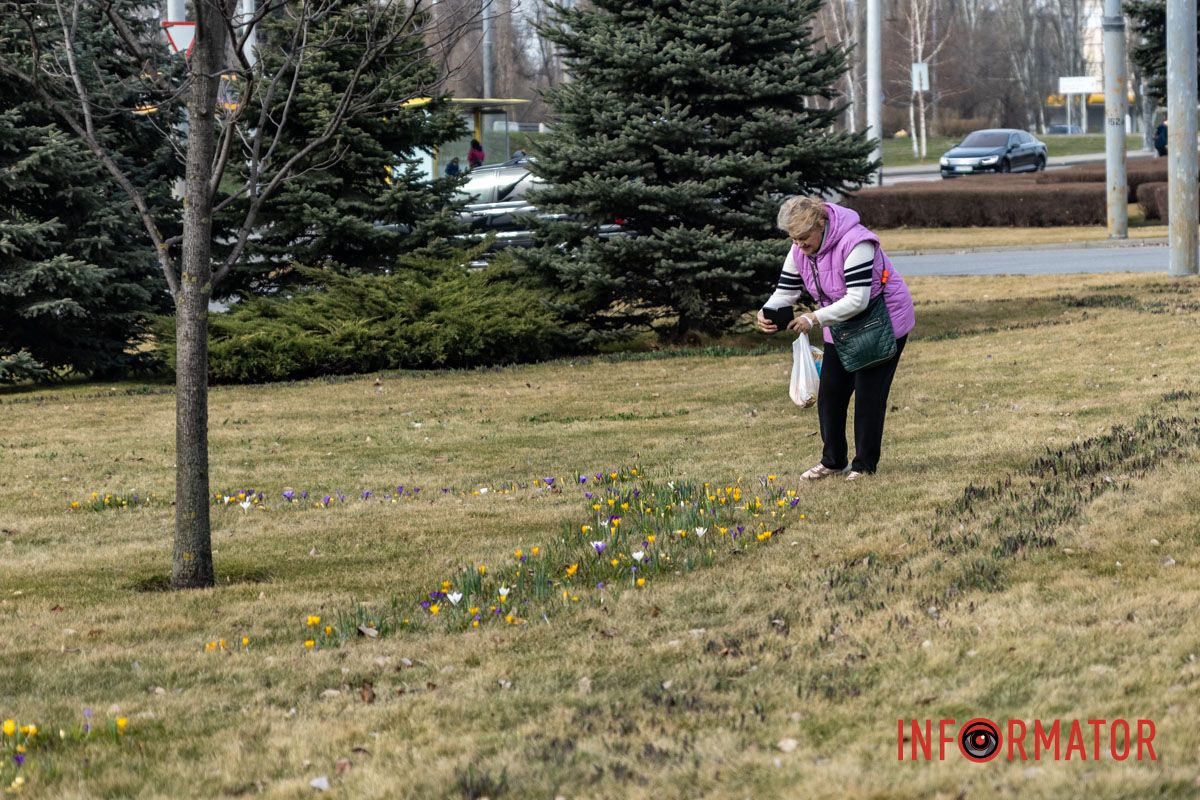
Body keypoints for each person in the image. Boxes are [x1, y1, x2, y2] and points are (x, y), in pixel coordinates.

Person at [756, 196, 915, 481]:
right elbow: (786, 291)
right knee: (830, 394)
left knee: (869, 395)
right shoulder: (799, 251)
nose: (799, 245)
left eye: (804, 237)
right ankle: (833, 461)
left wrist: (813, 318)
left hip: (882, 322)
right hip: (839, 324)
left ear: (820, 223)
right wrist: (766, 311)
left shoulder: (857, 243)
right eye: (794, 239)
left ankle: (864, 466)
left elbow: (857, 300)